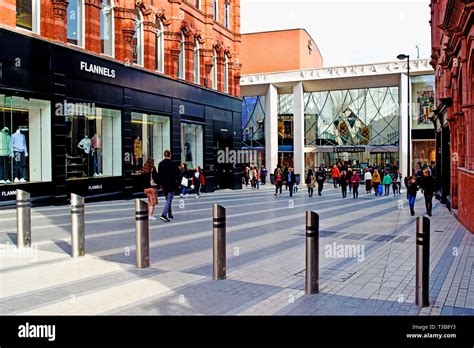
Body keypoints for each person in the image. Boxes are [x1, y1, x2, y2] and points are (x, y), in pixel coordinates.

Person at [158, 150, 179, 222]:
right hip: (171, 184)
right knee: (169, 199)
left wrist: (160, 184)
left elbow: (159, 175)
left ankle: (170, 213)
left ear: (164, 155)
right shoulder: (173, 164)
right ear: (170, 155)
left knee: (167, 198)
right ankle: (164, 214)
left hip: (164, 184)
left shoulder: (160, 164)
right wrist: (178, 184)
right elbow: (177, 174)